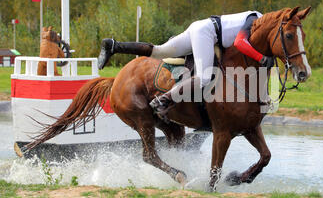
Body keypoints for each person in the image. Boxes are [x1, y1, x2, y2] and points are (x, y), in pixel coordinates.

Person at [97, 11, 274, 121]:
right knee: (204, 78)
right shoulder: (255, 19)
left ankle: (114, 45)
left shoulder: (256, 20)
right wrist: (262, 59)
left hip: (201, 28)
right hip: (206, 33)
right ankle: (164, 100)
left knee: (158, 51)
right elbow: (240, 43)